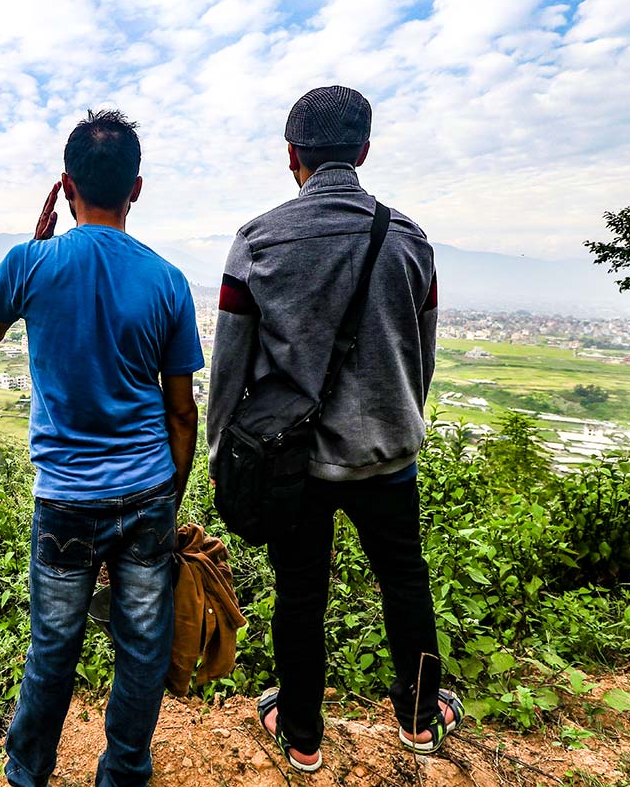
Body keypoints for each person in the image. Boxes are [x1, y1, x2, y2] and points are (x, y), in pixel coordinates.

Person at [206, 86, 461, 772]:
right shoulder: (411, 242)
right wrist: (400, 418)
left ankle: (302, 737)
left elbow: (231, 363)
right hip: (389, 454)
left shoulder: (258, 242)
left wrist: (220, 449)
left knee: (300, 594)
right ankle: (418, 717)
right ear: (365, 151)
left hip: (297, 461)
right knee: (405, 579)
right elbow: (421, 354)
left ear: (292, 155)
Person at [0, 109, 203, 787]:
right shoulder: (166, 280)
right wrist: (170, 495)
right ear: (137, 189)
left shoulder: (30, 263)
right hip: (147, 492)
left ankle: (27, 774)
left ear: (66, 185)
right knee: (141, 648)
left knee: (53, 645)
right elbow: (181, 410)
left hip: (66, 498)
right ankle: (125, 772)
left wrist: (34, 246)